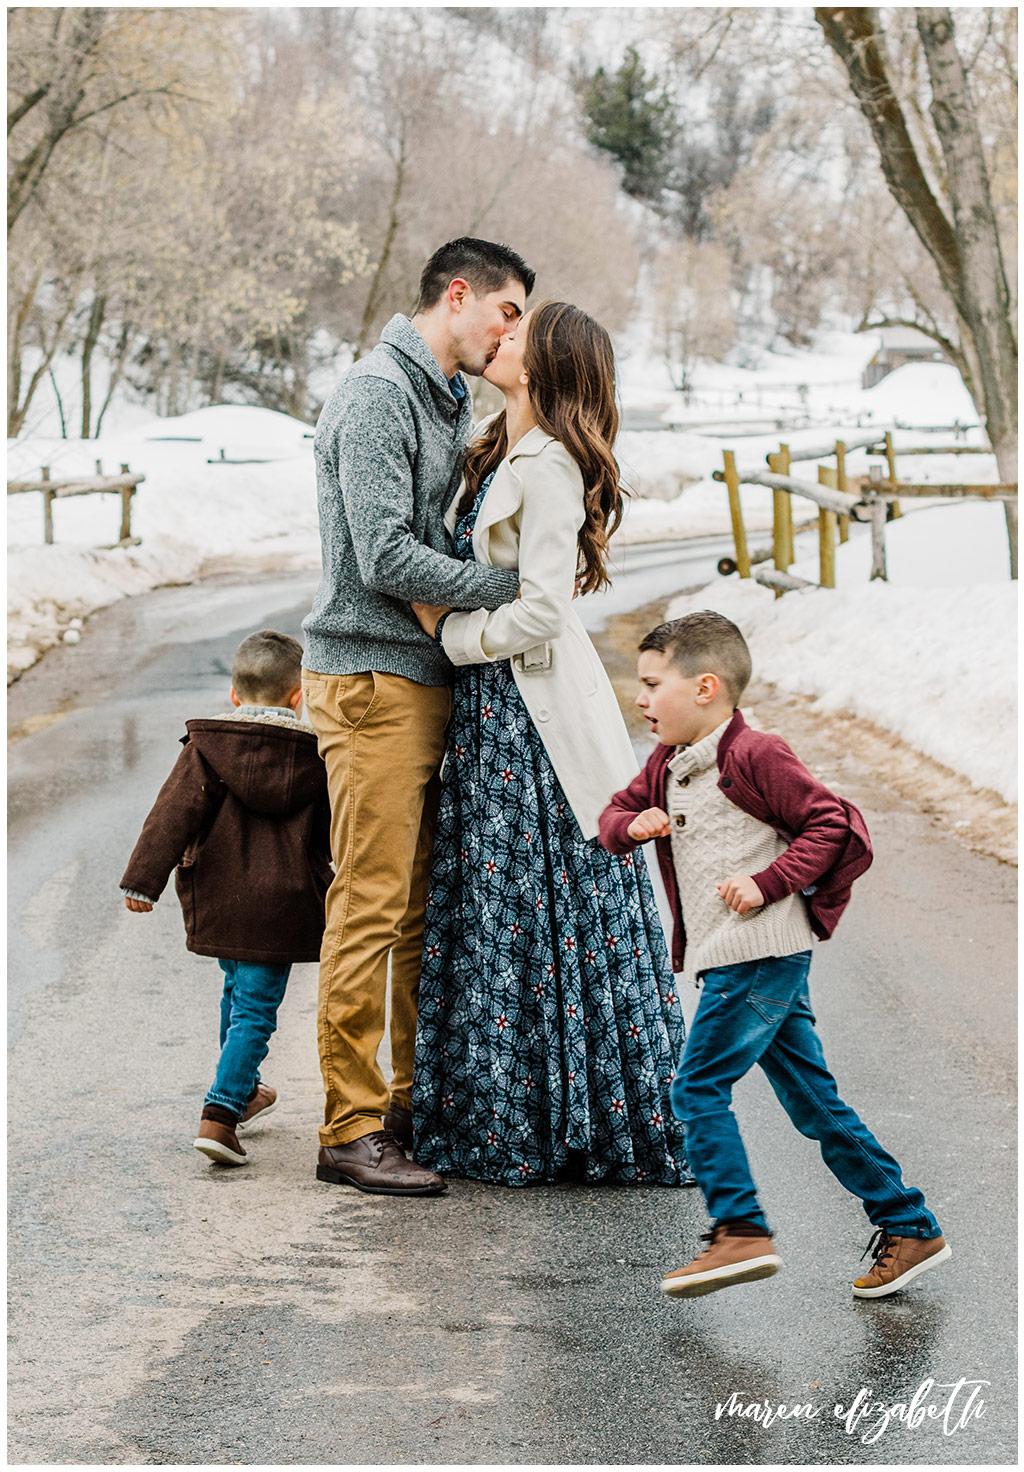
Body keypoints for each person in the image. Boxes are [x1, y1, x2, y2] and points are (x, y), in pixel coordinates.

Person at [408, 302, 690, 1187]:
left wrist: (447, 636)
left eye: (520, 336)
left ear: (545, 366)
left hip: (530, 713)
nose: (503, 339)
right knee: (502, 910)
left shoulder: (553, 465)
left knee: (543, 902)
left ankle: (568, 1117)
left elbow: (541, 608)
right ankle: (504, 1106)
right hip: (492, 712)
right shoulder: (496, 443)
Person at [598, 611, 951, 1298]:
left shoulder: (756, 753)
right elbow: (614, 812)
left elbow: (833, 823)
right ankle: (909, 1225)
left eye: (650, 684)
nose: (639, 699)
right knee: (814, 1103)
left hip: (759, 952)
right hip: (746, 956)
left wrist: (768, 883)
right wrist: (630, 825)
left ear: (705, 687)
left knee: (696, 1088)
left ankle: (740, 1231)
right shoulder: (668, 764)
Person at [301, 238, 535, 1196]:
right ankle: (350, 1130)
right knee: (371, 904)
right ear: (459, 293)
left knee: (412, 911)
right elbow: (384, 556)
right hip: (370, 680)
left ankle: (398, 1108)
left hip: (422, 679)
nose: (512, 331)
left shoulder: (444, 398)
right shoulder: (374, 395)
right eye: (509, 311)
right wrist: (511, 592)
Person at [120, 629, 332, 1168]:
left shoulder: (207, 747)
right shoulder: (317, 757)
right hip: (282, 906)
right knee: (255, 1010)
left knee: (238, 997)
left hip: (220, 895)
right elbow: (334, 834)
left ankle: (239, 1093)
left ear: (235, 695)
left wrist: (143, 882)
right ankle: (221, 1112)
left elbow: (171, 815)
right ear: (298, 695)